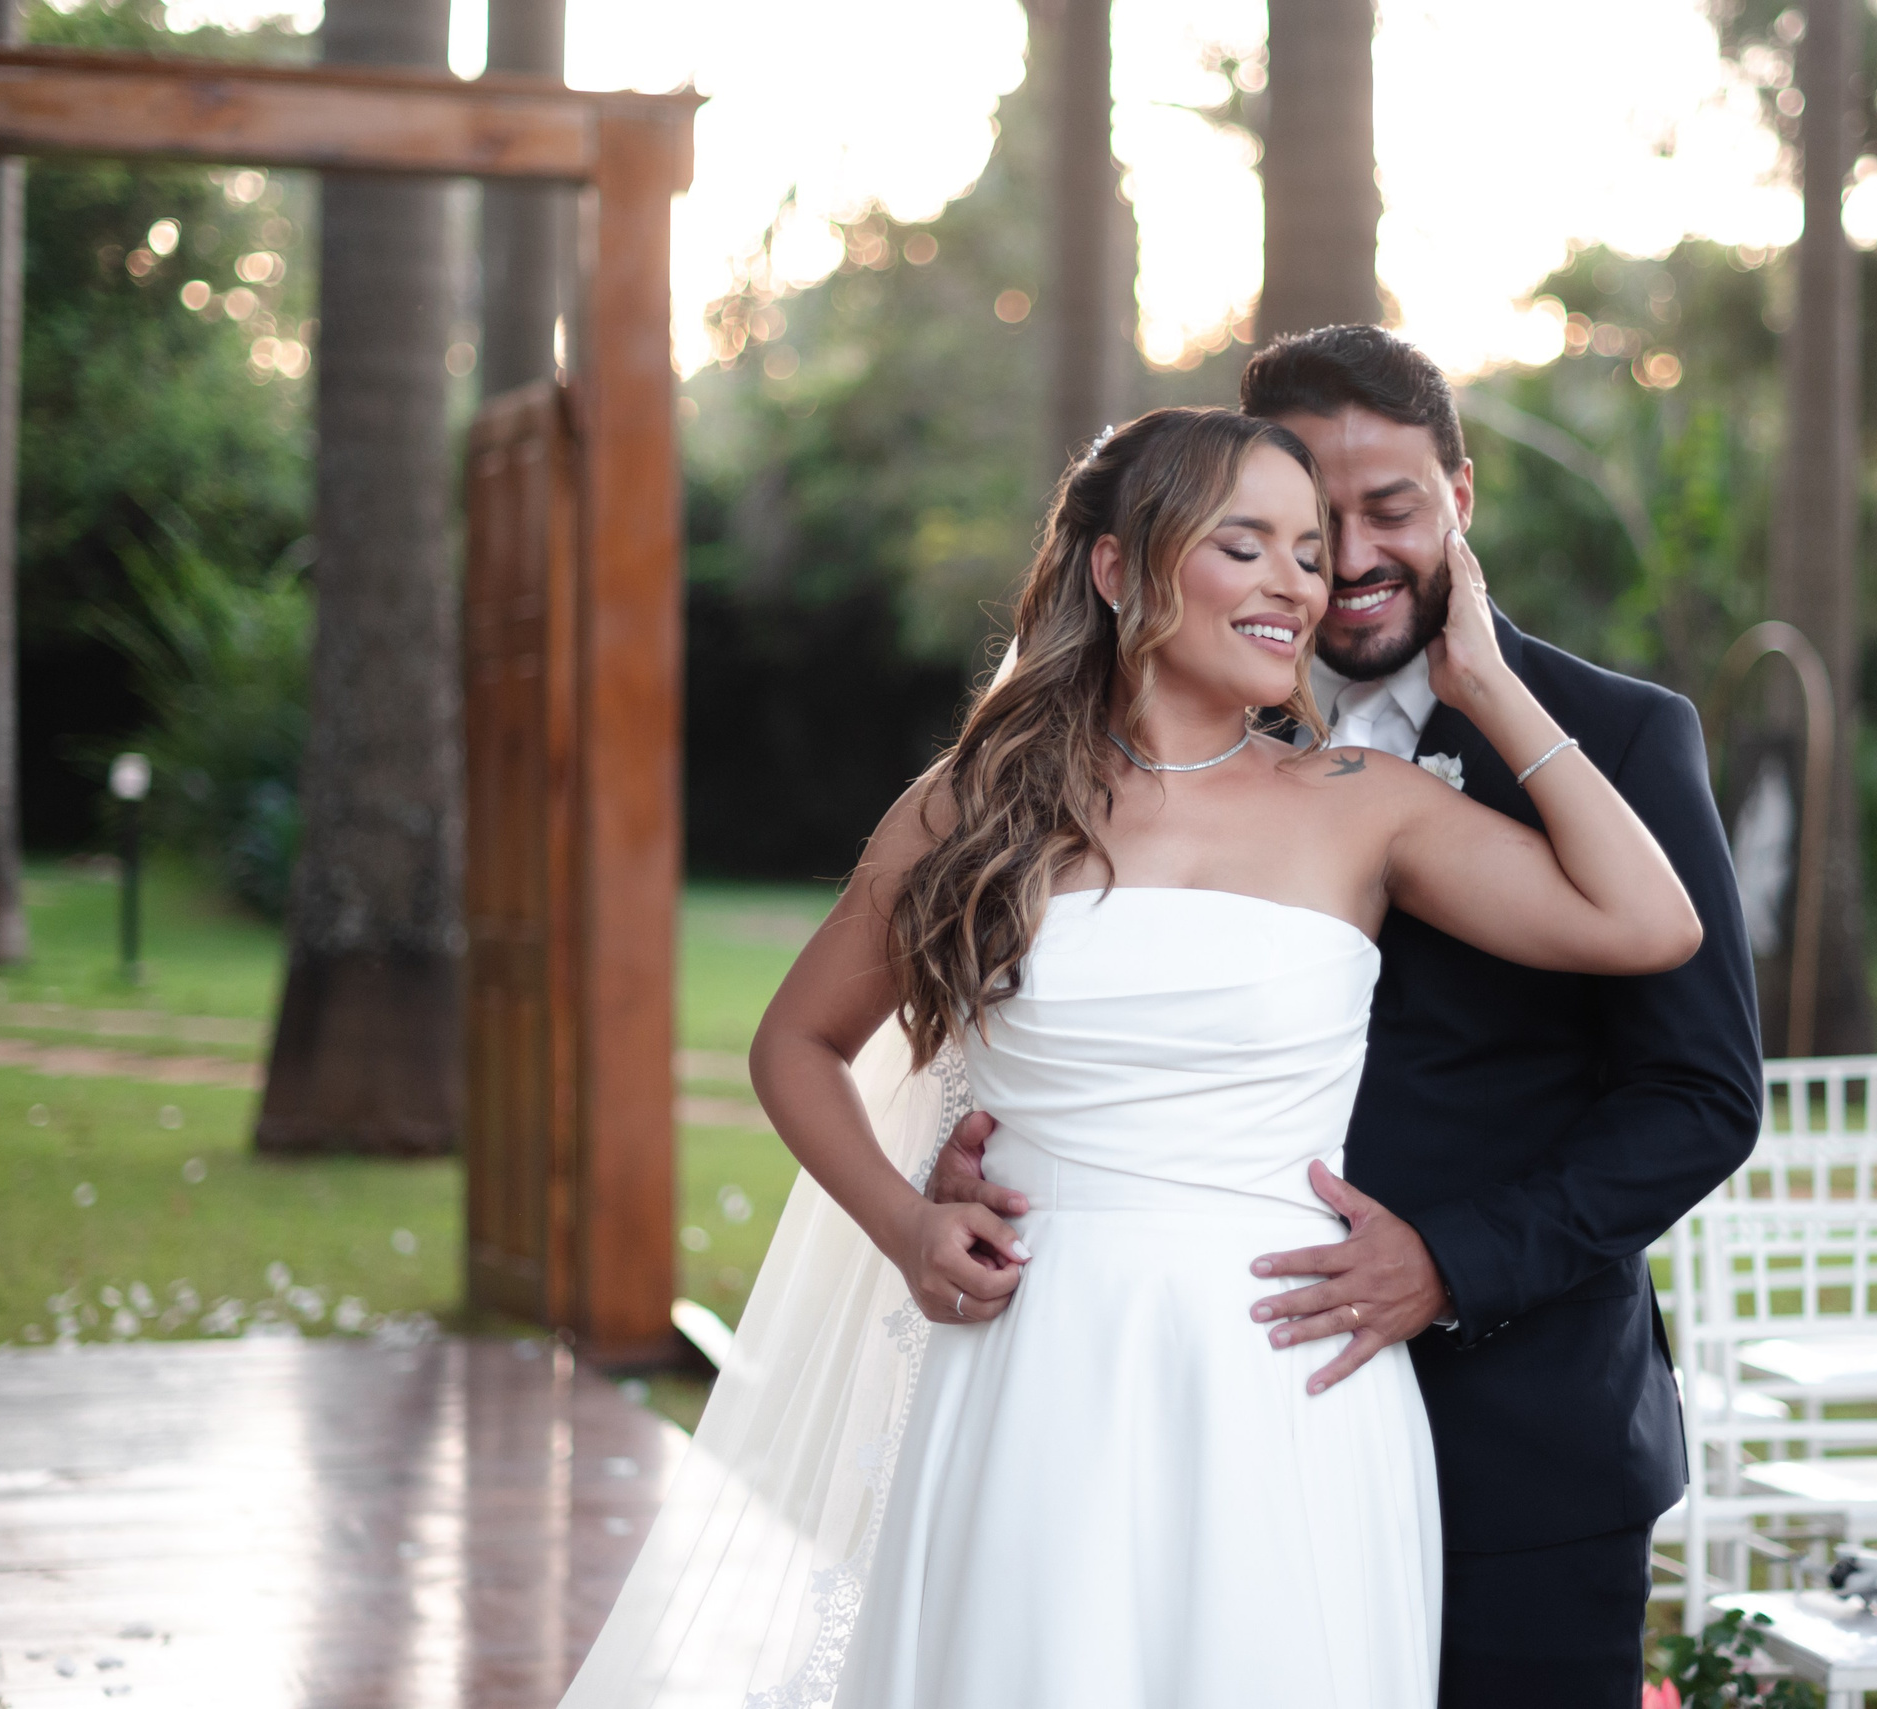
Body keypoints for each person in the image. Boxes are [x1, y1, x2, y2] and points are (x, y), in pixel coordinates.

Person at [721, 403, 1700, 1708]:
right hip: (1034, 1366)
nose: (1298, 583)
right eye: (1247, 545)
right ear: (1116, 566)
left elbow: (1649, 922)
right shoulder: (975, 804)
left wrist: (1491, 685)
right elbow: (796, 1043)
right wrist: (906, 1226)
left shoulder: (1361, 806)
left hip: (1284, 1372)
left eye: (1309, 553)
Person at [935, 329, 1765, 1706]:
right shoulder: (1168, 741)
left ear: (1461, 498)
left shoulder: (1616, 737)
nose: (1353, 556)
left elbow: (1703, 1097)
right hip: (1206, 1415)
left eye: (1394, 509)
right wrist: (991, 1153)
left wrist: (1452, 1262)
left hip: (1520, 1436)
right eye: (1316, 522)